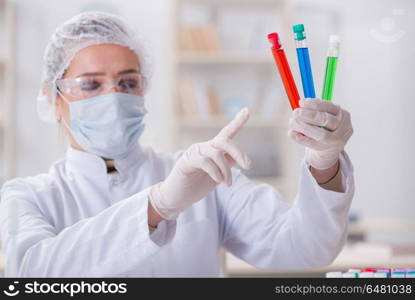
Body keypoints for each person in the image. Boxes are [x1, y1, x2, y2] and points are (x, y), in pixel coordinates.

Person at [0, 12, 354, 277]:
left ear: (144, 89)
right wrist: (159, 205)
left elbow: (305, 249)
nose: (114, 97)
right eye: (91, 85)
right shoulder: (25, 196)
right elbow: (32, 273)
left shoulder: (202, 174)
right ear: (52, 99)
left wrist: (325, 162)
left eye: (128, 83)